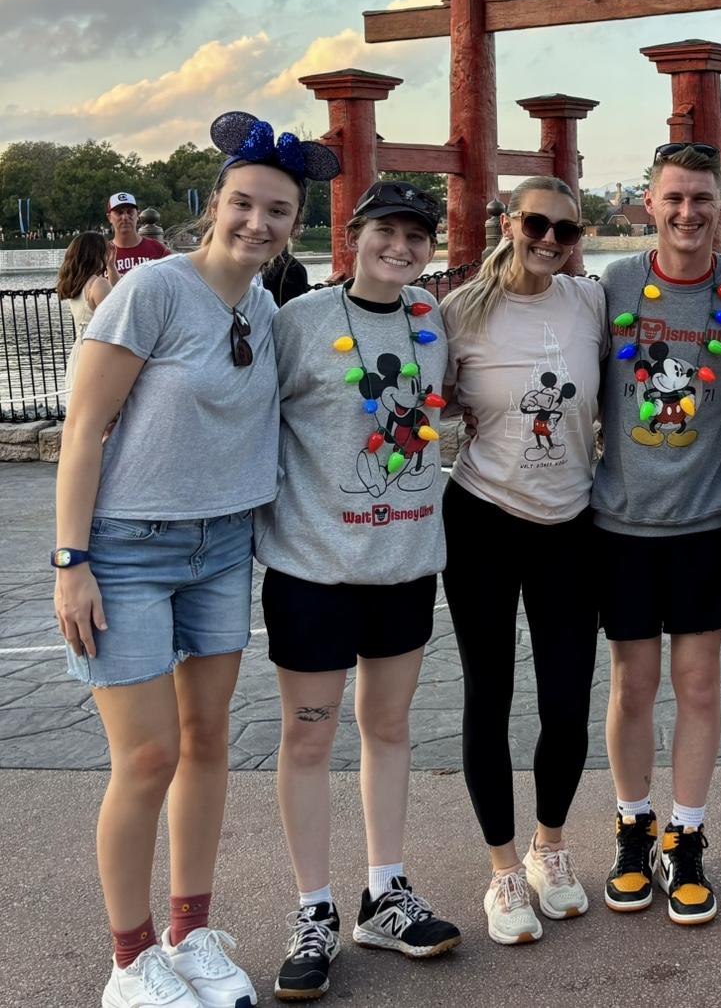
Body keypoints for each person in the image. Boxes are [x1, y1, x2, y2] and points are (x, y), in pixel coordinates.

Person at [53, 112, 338, 1008]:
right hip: (128, 549)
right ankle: (130, 959)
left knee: (210, 743)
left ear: (297, 225)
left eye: (279, 212)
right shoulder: (155, 291)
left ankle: (189, 930)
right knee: (146, 757)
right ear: (214, 205)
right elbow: (84, 428)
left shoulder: (264, 306)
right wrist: (71, 559)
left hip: (223, 547)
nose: (259, 223)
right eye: (244, 204)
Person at [257, 179, 459, 1000]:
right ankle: (314, 910)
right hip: (314, 569)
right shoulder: (296, 323)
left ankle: (386, 893)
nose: (401, 249)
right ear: (353, 234)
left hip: (405, 565)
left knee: (388, 729)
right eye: (387, 232)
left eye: (417, 236)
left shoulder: (430, 319)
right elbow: (243, 416)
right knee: (309, 737)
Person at [592, 142, 721, 925]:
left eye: (703, 199)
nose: (688, 213)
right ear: (649, 203)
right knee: (633, 686)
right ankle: (633, 825)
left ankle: (686, 835)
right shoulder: (615, 285)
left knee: (699, 687)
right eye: (674, 199)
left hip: (706, 521)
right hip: (622, 520)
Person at [438, 176, 608, 949]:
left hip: (570, 522)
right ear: (510, 223)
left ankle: (549, 846)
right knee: (491, 692)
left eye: (565, 231)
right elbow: (409, 399)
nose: (549, 240)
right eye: (536, 223)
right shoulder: (459, 313)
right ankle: (502, 865)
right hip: (483, 518)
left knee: (568, 697)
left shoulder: (590, 303)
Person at [56, 231, 115, 400]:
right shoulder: (98, 284)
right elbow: (117, 318)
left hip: (80, 350)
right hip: (98, 352)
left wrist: (110, 267)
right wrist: (111, 267)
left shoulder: (75, 285)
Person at [106, 193, 170, 280]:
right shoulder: (102, 253)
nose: (125, 217)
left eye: (130, 212)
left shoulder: (158, 249)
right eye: (119, 213)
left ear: (138, 215)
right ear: (109, 217)